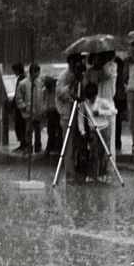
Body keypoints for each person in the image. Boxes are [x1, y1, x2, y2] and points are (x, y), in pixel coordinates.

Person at [56, 52, 87, 185]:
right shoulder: (64, 76)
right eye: (74, 62)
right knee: (68, 146)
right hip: (66, 114)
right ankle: (69, 175)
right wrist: (71, 86)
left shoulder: (80, 75)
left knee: (78, 144)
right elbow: (61, 94)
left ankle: (80, 171)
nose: (76, 64)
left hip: (78, 113)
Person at [78, 82, 116, 182]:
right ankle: (91, 174)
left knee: (104, 153)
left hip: (104, 129)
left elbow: (113, 111)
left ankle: (103, 174)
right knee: (93, 152)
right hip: (92, 130)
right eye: (89, 98)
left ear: (96, 95)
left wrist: (100, 112)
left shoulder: (102, 102)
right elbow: (80, 118)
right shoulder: (84, 104)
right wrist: (82, 131)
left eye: (93, 98)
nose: (91, 100)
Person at [11, 62, 27, 151]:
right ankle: (22, 143)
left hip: (21, 105)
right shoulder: (21, 79)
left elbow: (19, 93)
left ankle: (23, 143)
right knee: (19, 125)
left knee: (21, 125)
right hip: (19, 104)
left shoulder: (22, 79)